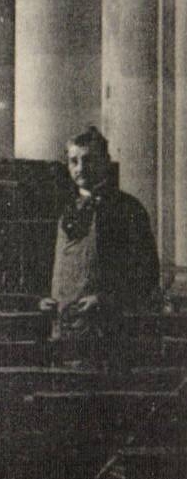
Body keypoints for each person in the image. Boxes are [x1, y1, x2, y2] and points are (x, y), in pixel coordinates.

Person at [44, 125, 159, 331]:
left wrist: (105, 299)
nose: (80, 168)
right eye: (74, 161)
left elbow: (148, 272)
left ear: (105, 161)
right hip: (64, 325)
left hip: (109, 327)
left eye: (88, 160)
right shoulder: (63, 209)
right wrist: (43, 298)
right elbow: (51, 266)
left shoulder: (128, 208)